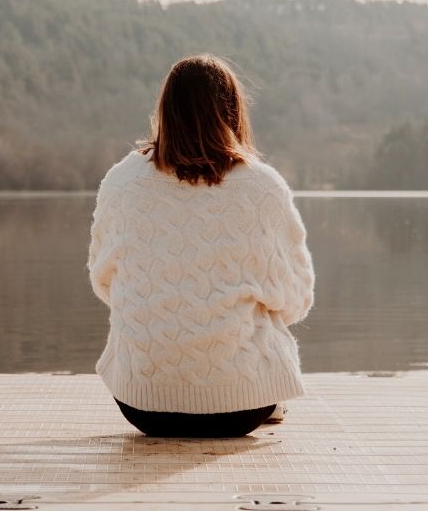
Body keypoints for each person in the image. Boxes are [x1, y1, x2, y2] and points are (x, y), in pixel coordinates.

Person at [87, 54, 315, 438]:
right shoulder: (263, 186)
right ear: (233, 110)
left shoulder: (122, 179)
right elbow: (296, 298)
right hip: (242, 408)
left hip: (142, 405)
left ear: (164, 110)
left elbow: (103, 279)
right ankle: (265, 393)